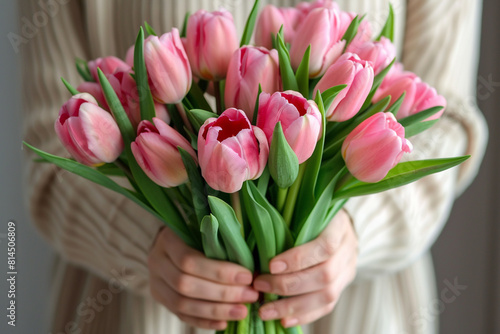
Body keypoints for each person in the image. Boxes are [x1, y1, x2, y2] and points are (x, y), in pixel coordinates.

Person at [19, 0, 487, 333]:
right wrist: (147, 243)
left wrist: (355, 228)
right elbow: (47, 144)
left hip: (358, 313)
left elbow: (449, 121)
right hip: (135, 317)